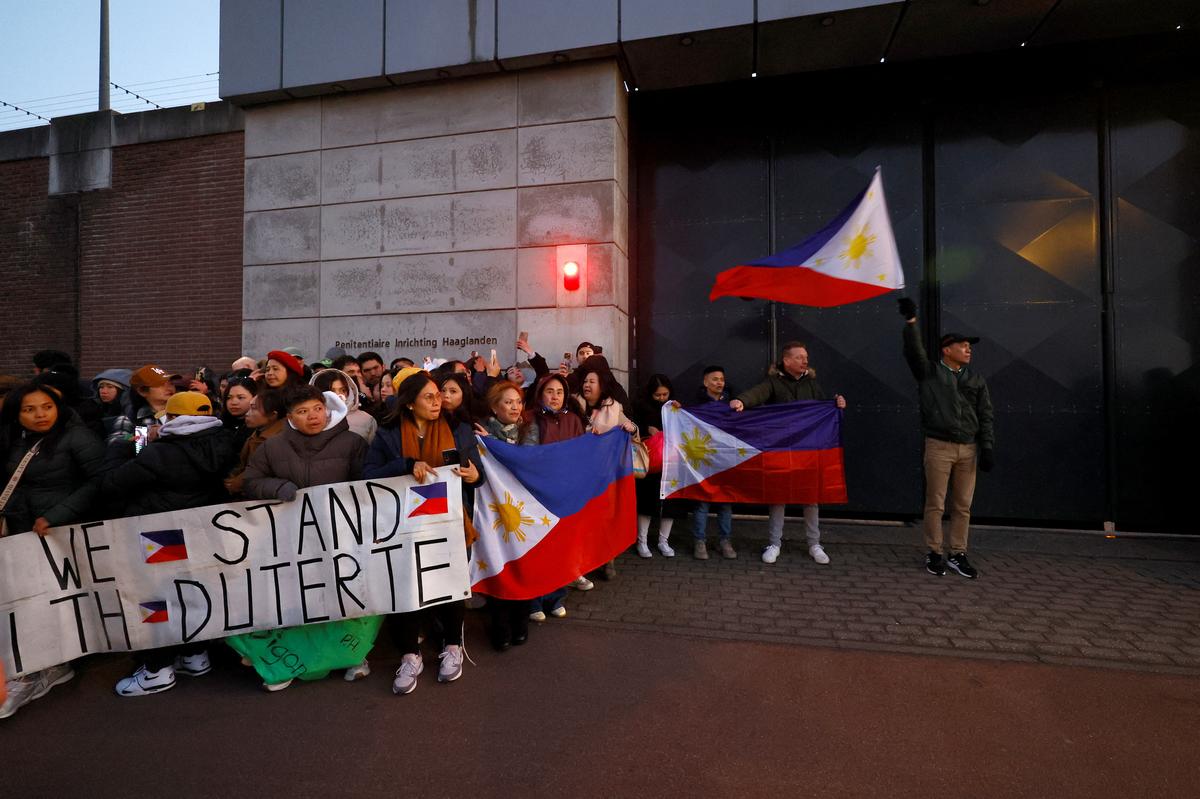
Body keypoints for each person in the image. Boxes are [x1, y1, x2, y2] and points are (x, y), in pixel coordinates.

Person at [102, 391, 238, 697]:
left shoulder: (160, 452)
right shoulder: (227, 441)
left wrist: (128, 446)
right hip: (202, 535)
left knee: (157, 599)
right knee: (193, 595)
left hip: (159, 538)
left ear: (172, 418)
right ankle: (195, 655)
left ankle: (157, 669)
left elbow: (112, 483)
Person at [239, 385, 373, 689]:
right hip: (292, 541)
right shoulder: (273, 447)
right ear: (290, 417)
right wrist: (277, 488)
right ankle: (291, 660)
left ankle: (353, 654)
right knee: (297, 599)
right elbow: (251, 481)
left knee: (344, 595)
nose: (312, 416)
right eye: (302, 412)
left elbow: (367, 485)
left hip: (342, 535)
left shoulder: (353, 443)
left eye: (317, 408)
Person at [363, 372, 483, 694]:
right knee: (405, 586)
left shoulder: (458, 429)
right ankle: (410, 654)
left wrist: (473, 475)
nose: (437, 401)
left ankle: (453, 646)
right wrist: (405, 465)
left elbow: (477, 475)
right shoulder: (388, 433)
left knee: (450, 583)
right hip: (402, 525)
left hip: (450, 521)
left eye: (439, 396)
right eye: (429, 397)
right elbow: (368, 474)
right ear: (410, 402)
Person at [899, 298, 993, 579]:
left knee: (963, 505)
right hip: (939, 447)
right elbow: (914, 353)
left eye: (969, 347)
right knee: (936, 503)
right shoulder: (930, 374)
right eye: (963, 346)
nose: (968, 350)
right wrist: (911, 322)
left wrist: (986, 447)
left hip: (968, 450)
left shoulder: (975, 379)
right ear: (946, 350)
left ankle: (958, 553)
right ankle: (934, 552)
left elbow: (986, 414)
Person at [732, 343, 846, 565]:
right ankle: (774, 543)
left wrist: (837, 403)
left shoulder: (812, 384)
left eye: (806, 356)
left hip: (808, 451)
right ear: (787, 361)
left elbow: (825, 407)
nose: (805, 360)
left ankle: (814, 544)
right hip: (782, 451)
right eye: (800, 357)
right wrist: (742, 401)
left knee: (810, 497)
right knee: (778, 496)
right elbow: (757, 393)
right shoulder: (773, 383)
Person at [521, 373, 587, 621]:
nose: (555, 396)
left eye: (559, 392)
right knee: (537, 548)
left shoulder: (573, 420)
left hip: (565, 494)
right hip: (536, 493)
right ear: (540, 393)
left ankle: (555, 597)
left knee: (561, 548)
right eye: (550, 391)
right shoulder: (528, 418)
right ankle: (533, 600)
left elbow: (582, 453)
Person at [575, 356, 636, 580]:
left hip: (606, 476)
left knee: (605, 519)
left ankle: (608, 559)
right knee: (584, 521)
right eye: (585, 381)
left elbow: (632, 430)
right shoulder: (573, 406)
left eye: (592, 381)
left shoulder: (613, 407)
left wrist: (632, 428)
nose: (587, 385)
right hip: (580, 475)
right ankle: (585, 562)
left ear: (601, 385)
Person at [631, 374, 686, 559]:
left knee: (671, 502)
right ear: (650, 394)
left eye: (665, 394)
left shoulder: (675, 406)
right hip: (649, 461)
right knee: (647, 501)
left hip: (672, 461)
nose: (662, 398)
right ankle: (642, 541)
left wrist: (680, 411)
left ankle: (664, 541)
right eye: (658, 395)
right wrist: (647, 428)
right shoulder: (640, 406)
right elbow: (632, 426)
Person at [690, 366, 736, 560]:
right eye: (715, 379)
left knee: (725, 503)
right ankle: (699, 541)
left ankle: (724, 540)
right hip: (704, 460)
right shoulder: (695, 404)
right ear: (706, 382)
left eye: (722, 379)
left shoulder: (732, 403)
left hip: (725, 460)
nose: (720, 383)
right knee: (702, 503)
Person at [224, 390, 286, 497]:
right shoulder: (257, 433)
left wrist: (237, 483)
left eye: (254, 409)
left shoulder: (278, 441)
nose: (247, 414)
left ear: (272, 415)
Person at [311, 367, 378, 444]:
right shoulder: (310, 417)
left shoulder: (367, 420)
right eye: (332, 391)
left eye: (343, 390)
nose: (338, 395)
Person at [220, 375, 258, 451]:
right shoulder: (219, 424)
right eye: (229, 398)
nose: (233, 402)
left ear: (255, 398)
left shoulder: (258, 428)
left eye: (240, 397)